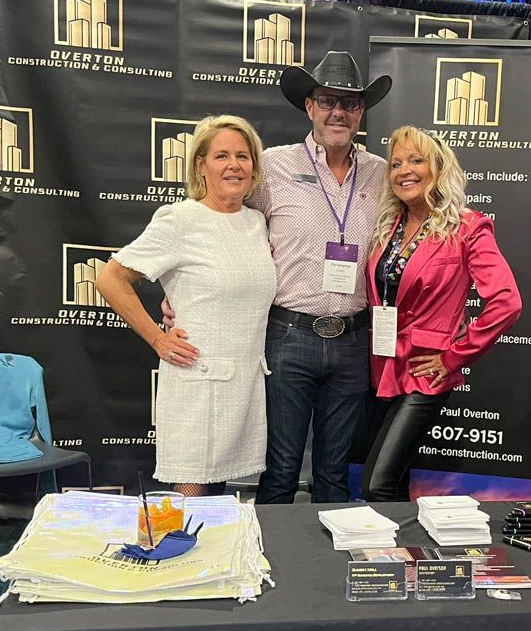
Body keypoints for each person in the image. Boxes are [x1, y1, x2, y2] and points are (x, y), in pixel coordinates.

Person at [163, 51, 391, 503]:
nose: (338, 112)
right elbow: (225, 226)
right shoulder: (272, 167)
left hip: (352, 339)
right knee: (282, 467)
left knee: (334, 471)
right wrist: (181, 294)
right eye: (327, 101)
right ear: (309, 107)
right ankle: (271, 548)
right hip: (289, 336)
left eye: (349, 103)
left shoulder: (382, 174)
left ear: (361, 111)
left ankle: (331, 550)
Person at [96, 115, 275, 496]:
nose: (234, 165)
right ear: (200, 165)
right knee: (192, 495)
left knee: (218, 495)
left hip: (243, 383)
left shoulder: (257, 222)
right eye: (222, 156)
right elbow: (110, 279)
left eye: (243, 156)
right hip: (197, 378)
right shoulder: (181, 219)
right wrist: (157, 339)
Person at [361, 125, 522, 502]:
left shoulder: (467, 227)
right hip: (385, 366)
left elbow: (507, 302)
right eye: (396, 164)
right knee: (395, 479)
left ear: (438, 168)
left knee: (376, 484)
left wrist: (455, 356)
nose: (404, 171)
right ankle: (403, 542)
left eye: (416, 161)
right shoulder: (390, 225)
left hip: (425, 372)